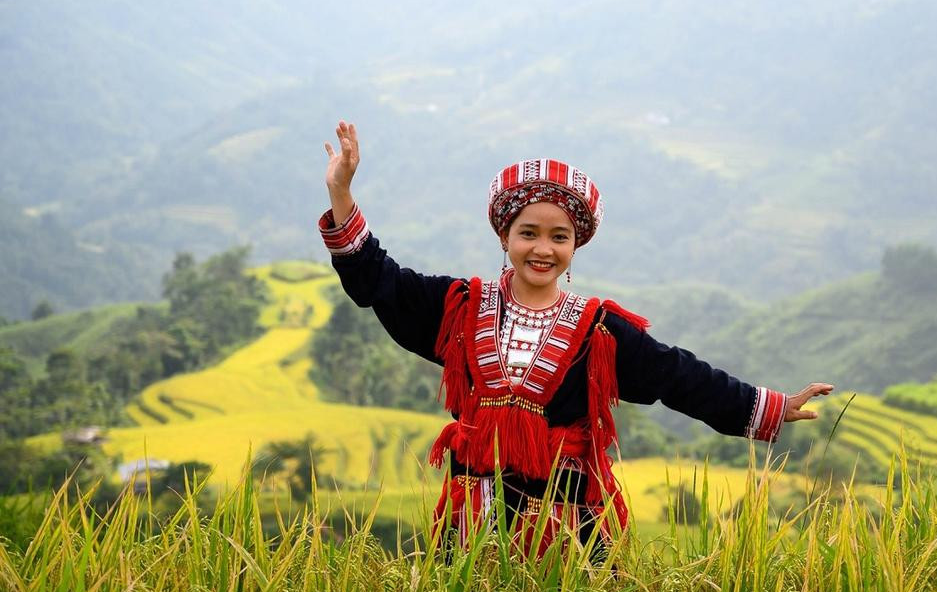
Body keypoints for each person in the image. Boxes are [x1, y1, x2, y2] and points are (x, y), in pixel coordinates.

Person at [319, 120, 833, 552]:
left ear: (575, 246)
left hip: (569, 535)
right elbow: (379, 282)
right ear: (505, 237)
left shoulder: (600, 332)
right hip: (469, 530)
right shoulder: (460, 307)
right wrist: (341, 192)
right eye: (529, 233)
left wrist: (770, 406)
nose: (542, 249)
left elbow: (678, 376)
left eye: (558, 237)